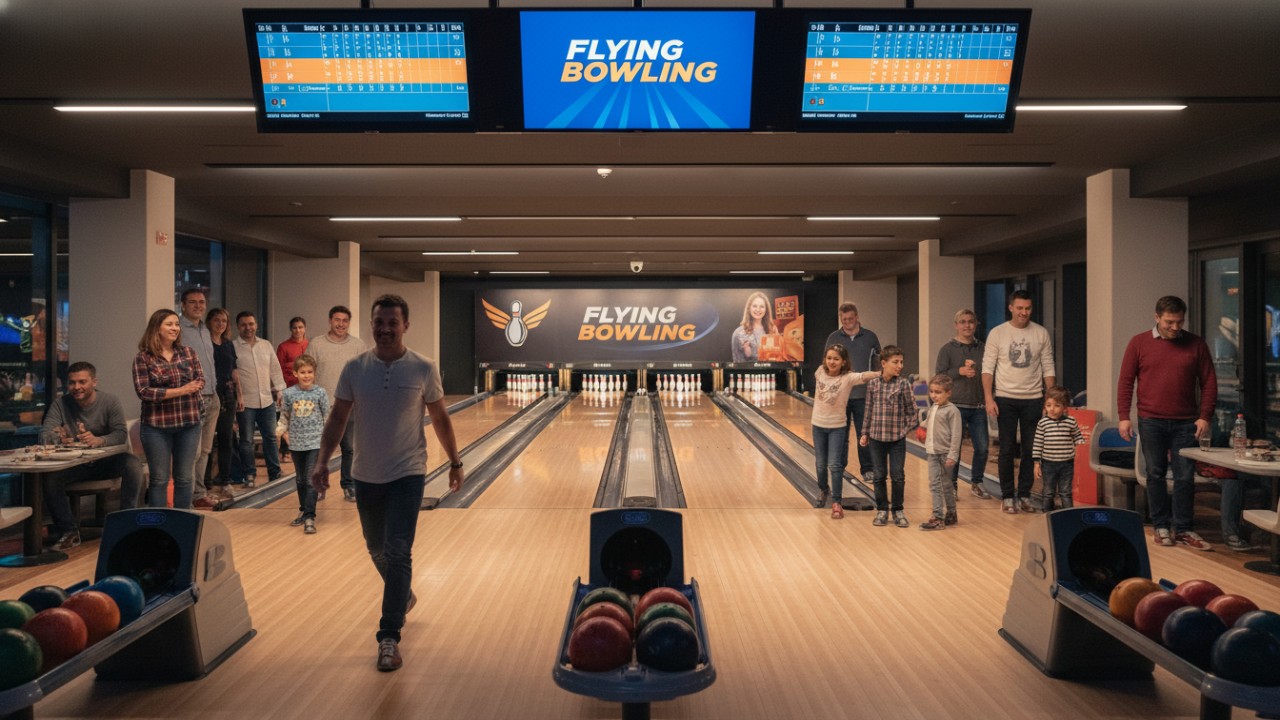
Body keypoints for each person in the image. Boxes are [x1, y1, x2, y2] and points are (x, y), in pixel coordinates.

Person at [310, 294, 463, 672]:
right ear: (372, 325)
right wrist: (322, 462)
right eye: (379, 322)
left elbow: (440, 418)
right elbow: (337, 418)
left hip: (408, 473)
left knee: (398, 551)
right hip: (366, 474)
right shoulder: (355, 368)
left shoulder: (423, 368)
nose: (385, 329)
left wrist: (455, 462)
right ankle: (402, 594)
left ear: (405, 325)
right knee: (376, 548)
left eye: (393, 322)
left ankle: (388, 636)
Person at [1117, 295, 1217, 550]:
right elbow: (1126, 381)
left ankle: (1183, 529)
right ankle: (1161, 525)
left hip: (1186, 422)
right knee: (1155, 473)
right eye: (1169, 322)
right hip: (1151, 420)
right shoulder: (1139, 343)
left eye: (1179, 322)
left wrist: (1205, 416)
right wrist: (1124, 417)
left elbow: (1209, 382)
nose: (1175, 327)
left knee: (1185, 477)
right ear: (1157, 317)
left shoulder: (1196, 344)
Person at [39, 361, 144, 550]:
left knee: (133, 464)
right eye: (72, 382)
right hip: (75, 465)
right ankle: (69, 532)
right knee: (50, 477)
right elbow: (45, 435)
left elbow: (120, 434)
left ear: (94, 382)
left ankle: (126, 523)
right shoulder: (60, 404)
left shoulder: (110, 401)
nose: (76, 387)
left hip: (106, 462)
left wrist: (99, 440)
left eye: (82, 382)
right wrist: (58, 437)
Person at [982, 290, 1056, 515]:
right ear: (1011, 308)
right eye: (1020, 308)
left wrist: (1050, 399)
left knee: (1031, 450)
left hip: (1033, 399)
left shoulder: (1041, 333)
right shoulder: (998, 333)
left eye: (1028, 308)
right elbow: (987, 368)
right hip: (1005, 398)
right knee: (1006, 449)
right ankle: (1007, 495)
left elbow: (1048, 366)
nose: (1024, 312)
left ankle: (1024, 494)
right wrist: (989, 398)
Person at [132, 308, 204, 509]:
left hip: (188, 424)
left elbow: (200, 380)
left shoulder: (188, 352)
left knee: (184, 478)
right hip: (156, 427)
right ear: (157, 328)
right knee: (159, 479)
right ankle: (158, 522)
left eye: (177, 324)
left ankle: (182, 520)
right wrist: (182, 390)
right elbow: (145, 392)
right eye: (169, 324)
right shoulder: (143, 358)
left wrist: (168, 392)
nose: (175, 328)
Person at [810, 344, 878, 519]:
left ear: (844, 362)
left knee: (834, 465)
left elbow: (863, 376)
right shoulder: (819, 371)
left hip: (837, 428)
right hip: (818, 426)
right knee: (820, 464)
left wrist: (882, 373)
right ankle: (824, 489)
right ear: (825, 359)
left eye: (836, 359)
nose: (832, 362)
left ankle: (836, 502)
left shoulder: (847, 378)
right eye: (829, 358)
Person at [308, 305, 366, 502]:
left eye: (345, 321)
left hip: (350, 406)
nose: (341, 324)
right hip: (322, 406)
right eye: (337, 320)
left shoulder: (358, 345)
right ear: (330, 321)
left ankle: (349, 486)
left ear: (349, 323)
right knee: (320, 449)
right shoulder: (316, 344)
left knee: (349, 448)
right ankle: (318, 487)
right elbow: (307, 371)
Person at [935, 308, 991, 499]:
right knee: (954, 450)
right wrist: (958, 371)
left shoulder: (983, 348)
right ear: (956, 325)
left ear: (976, 325)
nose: (967, 325)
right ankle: (952, 485)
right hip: (955, 407)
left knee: (982, 448)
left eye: (971, 322)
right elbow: (939, 377)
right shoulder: (947, 349)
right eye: (963, 322)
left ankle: (977, 483)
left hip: (978, 406)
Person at [859, 345, 917, 528]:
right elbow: (868, 410)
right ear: (883, 363)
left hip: (897, 440)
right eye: (895, 362)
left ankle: (898, 510)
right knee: (879, 476)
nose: (900, 366)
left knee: (897, 476)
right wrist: (864, 433)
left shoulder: (903, 384)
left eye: (901, 362)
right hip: (876, 438)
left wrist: (904, 430)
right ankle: (882, 510)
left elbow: (913, 412)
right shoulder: (873, 385)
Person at [825, 302, 881, 485]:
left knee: (864, 434)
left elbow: (878, 364)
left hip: (864, 395)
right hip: (841, 396)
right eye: (844, 319)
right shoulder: (834, 337)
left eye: (850, 318)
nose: (847, 322)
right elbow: (827, 365)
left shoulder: (870, 337)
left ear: (857, 317)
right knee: (840, 435)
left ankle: (868, 469)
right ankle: (839, 468)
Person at [178, 287, 220, 510]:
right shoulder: (179, 330)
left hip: (212, 394)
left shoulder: (205, 329)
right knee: (192, 452)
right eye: (193, 302)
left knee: (205, 449)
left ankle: (199, 493)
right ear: (183, 305)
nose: (198, 306)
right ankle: (187, 498)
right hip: (193, 397)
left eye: (201, 302)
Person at [232, 311, 285, 487]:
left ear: (256, 325)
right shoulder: (233, 347)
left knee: (270, 437)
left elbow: (275, 368)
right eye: (244, 324)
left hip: (267, 400)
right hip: (245, 403)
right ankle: (249, 475)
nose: (248, 328)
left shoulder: (266, 345)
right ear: (238, 327)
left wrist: (280, 390)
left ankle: (275, 473)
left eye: (251, 324)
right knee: (246, 440)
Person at [281, 355, 328, 534]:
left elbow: (327, 417)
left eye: (310, 372)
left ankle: (310, 517)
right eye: (303, 372)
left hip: (315, 442)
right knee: (300, 480)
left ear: (314, 373)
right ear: (295, 373)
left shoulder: (320, 393)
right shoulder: (288, 394)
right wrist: (282, 432)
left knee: (310, 480)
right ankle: (303, 511)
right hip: (296, 443)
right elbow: (284, 416)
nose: (306, 375)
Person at [1032, 386, 1085, 513]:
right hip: (1048, 464)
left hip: (1067, 464)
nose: (1052, 409)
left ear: (1065, 407)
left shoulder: (1071, 421)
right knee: (1048, 491)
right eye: (1048, 405)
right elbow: (1037, 444)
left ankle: (1069, 515)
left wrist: (1081, 446)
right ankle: (1047, 514)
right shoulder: (1042, 423)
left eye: (1057, 405)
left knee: (1065, 492)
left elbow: (1078, 437)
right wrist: (1036, 464)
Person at [206, 307, 242, 494]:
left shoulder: (228, 344)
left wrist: (240, 395)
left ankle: (225, 480)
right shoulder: (204, 342)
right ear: (209, 322)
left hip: (228, 396)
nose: (220, 324)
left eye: (224, 321)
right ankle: (205, 483)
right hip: (210, 394)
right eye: (217, 320)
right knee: (207, 441)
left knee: (226, 438)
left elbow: (234, 371)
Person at [920, 374, 962, 531]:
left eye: (938, 392)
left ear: (948, 393)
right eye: (931, 391)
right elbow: (929, 421)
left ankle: (940, 516)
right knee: (940, 484)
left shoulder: (952, 411)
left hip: (945, 453)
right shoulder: (933, 407)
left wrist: (953, 455)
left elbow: (956, 435)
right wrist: (922, 427)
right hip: (932, 452)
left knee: (942, 484)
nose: (933, 395)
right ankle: (948, 514)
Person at [731, 291, 776, 362]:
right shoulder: (738, 333)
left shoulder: (773, 330)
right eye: (754, 306)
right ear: (749, 308)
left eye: (762, 306)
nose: (758, 309)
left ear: (766, 309)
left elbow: (777, 358)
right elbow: (737, 362)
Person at [277, 317, 309, 388]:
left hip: (309, 386)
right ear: (291, 329)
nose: (298, 330)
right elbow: (278, 370)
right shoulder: (283, 347)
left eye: (300, 327)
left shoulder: (311, 345)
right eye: (295, 328)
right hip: (291, 387)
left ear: (305, 328)